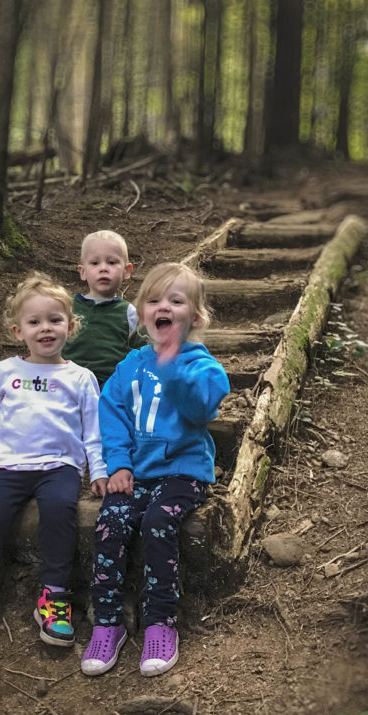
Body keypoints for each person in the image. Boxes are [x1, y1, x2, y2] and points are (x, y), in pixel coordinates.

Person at [0, 273, 108, 650]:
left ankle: (54, 597)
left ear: (71, 325)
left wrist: (97, 470)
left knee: (60, 513)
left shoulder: (80, 377)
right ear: (18, 331)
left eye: (54, 320)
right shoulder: (4, 372)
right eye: (34, 322)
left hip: (59, 468)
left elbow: (93, 431)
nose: (45, 329)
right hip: (7, 467)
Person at [81, 262, 230, 677]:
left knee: (157, 523)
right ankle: (108, 622)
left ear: (195, 317)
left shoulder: (202, 366)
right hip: (137, 473)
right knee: (111, 522)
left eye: (175, 301)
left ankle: (159, 621)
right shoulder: (130, 364)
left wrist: (173, 368)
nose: (163, 306)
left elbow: (202, 408)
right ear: (143, 312)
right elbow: (110, 412)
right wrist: (119, 465)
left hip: (184, 473)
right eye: (153, 300)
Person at [62, 230, 145, 388]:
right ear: (83, 271)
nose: (103, 268)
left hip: (110, 386)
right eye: (95, 263)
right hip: (68, 382)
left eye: (112, 262)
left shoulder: (128, 312)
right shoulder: (67, 307)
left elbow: (144, 350)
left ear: (126, 271)